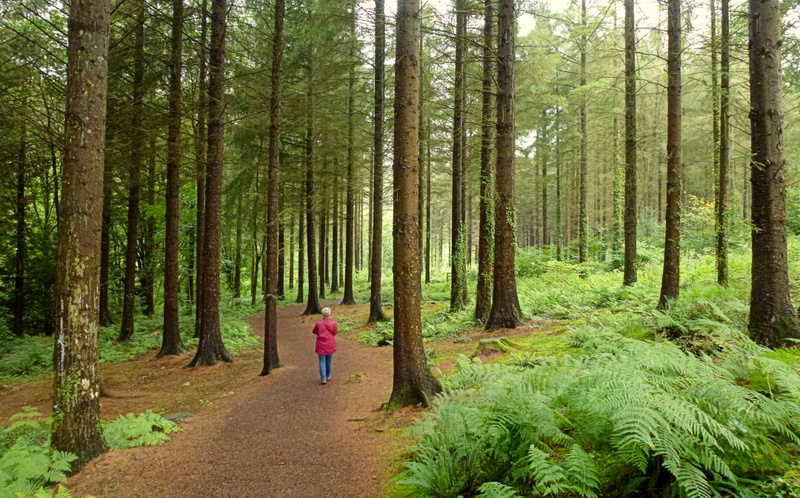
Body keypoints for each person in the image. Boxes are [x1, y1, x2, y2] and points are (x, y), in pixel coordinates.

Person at [313, 307, 338, 384]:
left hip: (321, 343)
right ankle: (328, 375)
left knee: (322, 361)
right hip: (330, 343)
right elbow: (335, 332)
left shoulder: (318, 324)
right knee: (329, 360)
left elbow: (314, 331)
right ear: (329, 314)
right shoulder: (333, 323)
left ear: (322, 314)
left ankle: (323, 378)